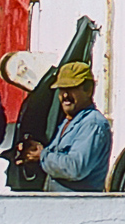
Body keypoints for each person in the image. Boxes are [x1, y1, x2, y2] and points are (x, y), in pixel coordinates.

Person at [18, 61, 111, 191]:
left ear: (89, 90)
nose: (65, 96)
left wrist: (42, 156)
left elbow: (75, 168)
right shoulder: (68, 122)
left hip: (78, 207)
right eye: (62, 89)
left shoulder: (93, 124)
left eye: (71, 89)